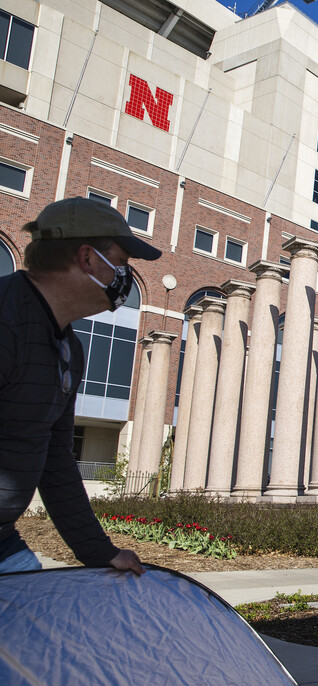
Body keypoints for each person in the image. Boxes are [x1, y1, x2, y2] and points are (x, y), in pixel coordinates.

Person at [0, 197, 162, 576]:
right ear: (87, 258)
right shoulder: (5, 322)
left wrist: (97, 551)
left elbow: (55, 457)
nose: (125, 277)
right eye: (121, 264)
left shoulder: (68, 347)